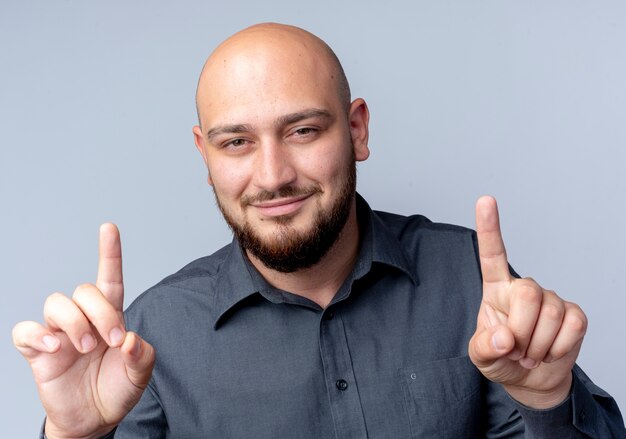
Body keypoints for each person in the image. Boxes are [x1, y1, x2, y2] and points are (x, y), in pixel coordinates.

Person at [13, 23, 625, 439]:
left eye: (303, 131)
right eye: (237, 142)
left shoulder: (465, 277)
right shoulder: (152, 336)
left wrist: (547, 400)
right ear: (205, 156)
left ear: (356, 130)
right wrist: (73, 436)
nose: (273, 175)